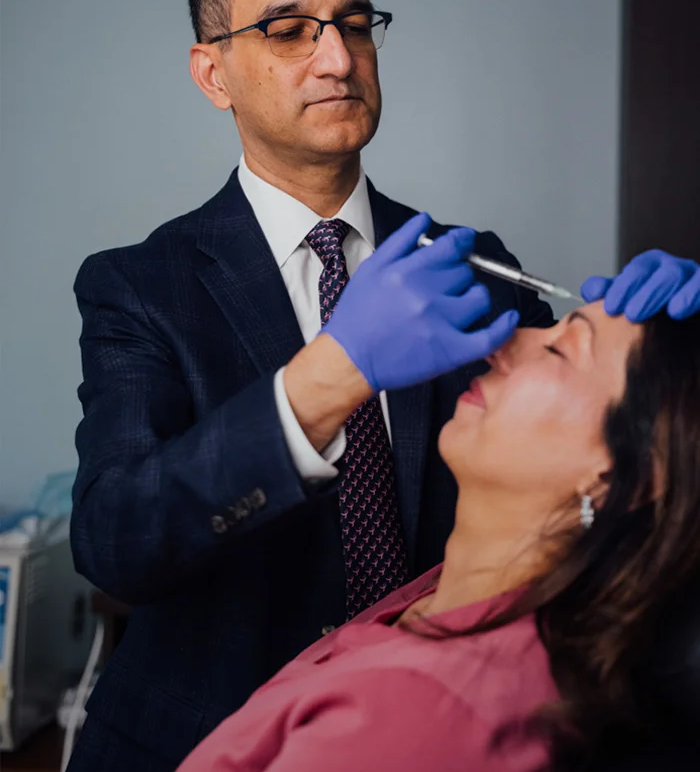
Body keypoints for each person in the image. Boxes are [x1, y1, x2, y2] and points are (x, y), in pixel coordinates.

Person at [66, 0, 700, 772]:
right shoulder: (139, 285)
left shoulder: (474, 265)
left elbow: (605, 456)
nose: (336, 58)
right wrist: (324, 382)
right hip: (193, 739)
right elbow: (115, 542)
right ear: (213, 72)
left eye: (356, 24)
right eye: (288, 31)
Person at [174, 303, 700, 772]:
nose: (502, 341)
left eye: (560, 348)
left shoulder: (421, 709)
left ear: (620, 475)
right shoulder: (438, 595)